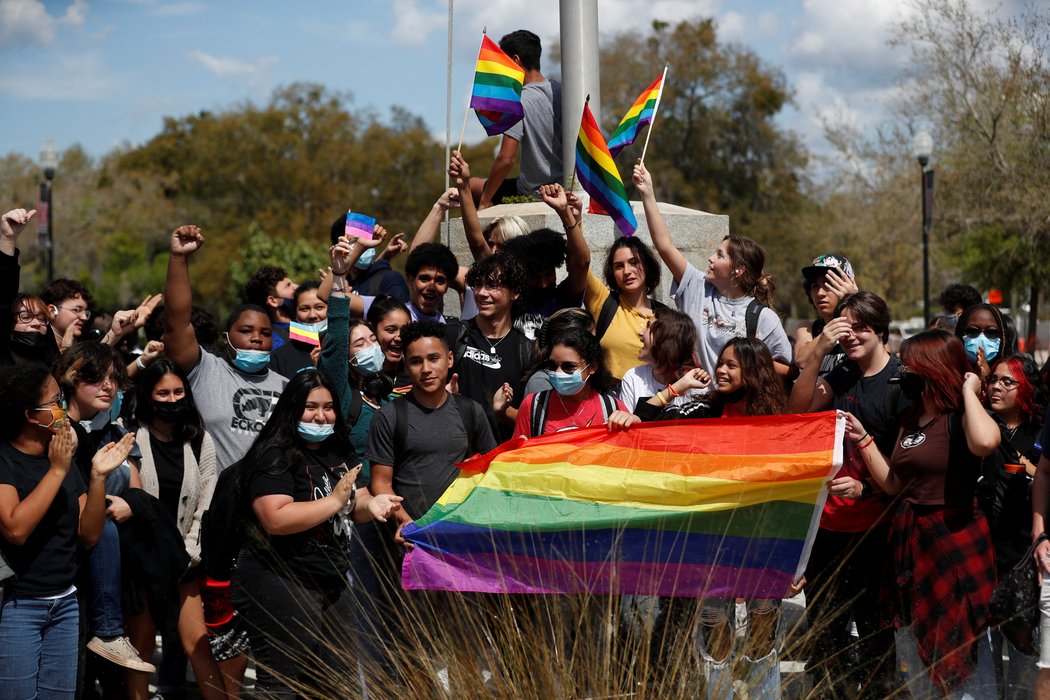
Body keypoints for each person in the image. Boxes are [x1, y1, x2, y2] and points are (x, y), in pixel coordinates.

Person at [844, 330, 1000, 697]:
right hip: (912, 544)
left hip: (954, 544)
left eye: (910, 365)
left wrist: (968, 390)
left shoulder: (960, 416)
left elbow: (986, 442)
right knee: (916, 657)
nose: (903, 372)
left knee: (962, 656)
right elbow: (896, 484)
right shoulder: (911, 418)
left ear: (933, 368)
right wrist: (865, 439)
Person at [230, 369, 402, 697]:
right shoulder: (275, 454)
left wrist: (374, 504)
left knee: (335, 683)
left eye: (328, 407)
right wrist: (335, 500)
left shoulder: (337, 450)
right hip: (281, 577)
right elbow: (275, 518)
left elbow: (357, 501)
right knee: (282, 686)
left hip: (331, 578)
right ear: (293, 408)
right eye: (311, 407)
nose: (321, 417)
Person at [637, 337, 789, 698]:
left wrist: (793, 561)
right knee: (715, 634)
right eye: (720, 362)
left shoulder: (778, 425)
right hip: (712, 546)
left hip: (763, 545)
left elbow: (789, 494)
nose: (720, 369)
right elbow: (645, 421)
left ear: (754, 372)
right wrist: (678, 387)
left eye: (731, 365)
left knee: (761, 638)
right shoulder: (703, 414)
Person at [787, 291, 905, 697]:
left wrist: (864, 487)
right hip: (828, 530)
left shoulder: (901, 383)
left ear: (880, 330)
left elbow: (906, 471)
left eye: (860, 328)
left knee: (875, 639)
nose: (851, 336)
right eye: (845, 327)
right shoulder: (840, 374)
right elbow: (798, 414)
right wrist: (818, 351)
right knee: (825, 637)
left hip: (876, 533)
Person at [0, 364, 136, 697]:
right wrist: (57, 471)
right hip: (19, 605)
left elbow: (88, 535)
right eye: (55, 401)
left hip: (65, 603)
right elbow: (15, 528)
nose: (62, 408)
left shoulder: (59, 459)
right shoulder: (7, 460)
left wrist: (97, 477)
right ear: (31, 416)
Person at [632, 162, 793, 379]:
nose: (710, 259)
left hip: (736, 410)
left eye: (720, 255)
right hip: (693, 404)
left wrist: (743, 368)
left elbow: (787, 368)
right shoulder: (697, 287)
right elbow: (664, 245)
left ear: (738, 271)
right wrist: (648, 193)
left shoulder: (763, 318)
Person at [125, 357, 227, 699]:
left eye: (178, 392)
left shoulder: (200, 441)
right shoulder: (131, 439)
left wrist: (189, 550)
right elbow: (134, 501)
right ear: (147, 395)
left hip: (185, 558)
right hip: (143, 560)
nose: (171, 400)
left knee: (197, 644)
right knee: (139, 648)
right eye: (163, 393)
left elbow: (206, 502)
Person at [54, 342, 157, 678]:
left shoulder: (111, 431)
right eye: (96, 378)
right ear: (71, 377)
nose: (109, 385)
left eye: (114, 378)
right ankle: (109, 630)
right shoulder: (58, 428)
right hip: (59, 568)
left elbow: (137, 494)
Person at [163, 224, 289, 472]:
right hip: (214, 505)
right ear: (225, 338)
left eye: (265, 333)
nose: (256, 338)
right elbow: (177, 322)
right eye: (246, 331)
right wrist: (179, 258)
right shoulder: (205, 370)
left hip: (271, 504)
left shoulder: (287, 387)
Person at [367, 320, 496, 537]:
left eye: (433, 358)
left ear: (450, 359)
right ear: (406, 365)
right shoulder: (388, 417)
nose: (426, 369)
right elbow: (381, 483)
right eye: (416, 361)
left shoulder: (471, 411)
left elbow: (491, 470)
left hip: (462, 536)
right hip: (413, 541)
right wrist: (409, 525)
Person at [541, 182, 666, 380]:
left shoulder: (666, 317)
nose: (627, 271)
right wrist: (572, 218)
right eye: (619, 266)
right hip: (611, 406)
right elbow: (580, 263)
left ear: (648, 265)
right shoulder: (604, 303)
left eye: (634, 262)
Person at [976, 355, 1046, 695]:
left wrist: (1025, 468)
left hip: (1023, 557)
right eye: (994, 380)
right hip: (982, 554)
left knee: (1022, 656)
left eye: (1008, 382)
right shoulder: (978, 426)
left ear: (1027, 389)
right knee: (985, 658)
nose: (997, 387)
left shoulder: (1038, 431)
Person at [470, 29, 562, 209]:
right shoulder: (562, 91)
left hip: (534, 192)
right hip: (566, 186)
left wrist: (486, 200)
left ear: (514, 60)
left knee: (471, 186)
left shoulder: (518, 102)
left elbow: (506, 159)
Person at [513, 328, 636, 438]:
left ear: (592, 367)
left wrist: (634, 423)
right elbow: (516, 459)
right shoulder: (534, 406)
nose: (558, 372)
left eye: (569, 366)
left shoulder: (612, 408)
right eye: (553, 365)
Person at [618, 308, 703, 413]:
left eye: (649, 326)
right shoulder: (633, 377)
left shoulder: (696, 385)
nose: (640, 333)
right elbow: (628, 423)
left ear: (666, 339)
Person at [793, 254, 858, 376]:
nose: (820, 293)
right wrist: (833, 327)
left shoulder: (864, 326)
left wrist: (856, 302)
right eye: (815, 286)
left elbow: (882, 354)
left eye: (829, 283)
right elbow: (801, 360)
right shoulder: (807, 328)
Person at [328, 213, 410, 302]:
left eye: (367, 239)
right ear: (339, 247)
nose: (364, 246)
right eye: (355, 241)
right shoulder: (341, 284)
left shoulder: (390, 280)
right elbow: (323, 296)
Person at [269, 280, 327, 377]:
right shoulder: (280, 357)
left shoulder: (345, 346)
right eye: (304, 309)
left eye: (319, 307)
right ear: (295, 313)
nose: (312, 315)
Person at [955, 302, 1018, 379]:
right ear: (961, 332)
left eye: (991, 332)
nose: (982, 338)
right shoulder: (950, 374)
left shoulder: (1015, 376)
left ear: (1003, 336)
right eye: (973, 331)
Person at [242, 265, 298, 350]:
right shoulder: (275, 341)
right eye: (288, 285)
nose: (296, 286)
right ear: (273, 301)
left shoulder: (299, 325)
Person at [2, 293, 60, 368]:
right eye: (26, 317)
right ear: (8, 322)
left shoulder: (56, 368)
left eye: (41, 318)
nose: (37, 323)